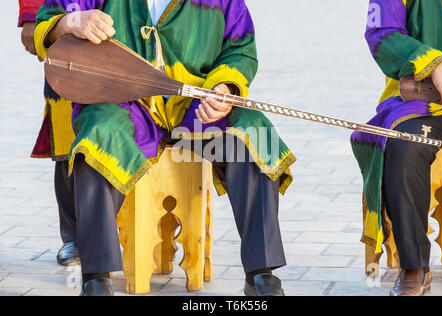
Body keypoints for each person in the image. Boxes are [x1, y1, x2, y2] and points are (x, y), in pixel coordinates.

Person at [34, 0, 296, 296]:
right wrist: (70, 23)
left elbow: (240, 49)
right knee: (98, 137)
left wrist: (225, 90)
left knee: (253, 132)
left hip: (196, 105)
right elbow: (46, 23)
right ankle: (96, 276)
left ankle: (261, 272)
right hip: (122, 103)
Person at [351, 0, 442, 296]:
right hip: (423, 102)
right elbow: (382, 33)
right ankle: (414, 266)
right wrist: (436, 64)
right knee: (403, 146)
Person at [18, 0, 81, 266]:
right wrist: (36, 18)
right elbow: (34, 33)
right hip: (70, 62)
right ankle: (75, 238)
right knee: (70, 149)